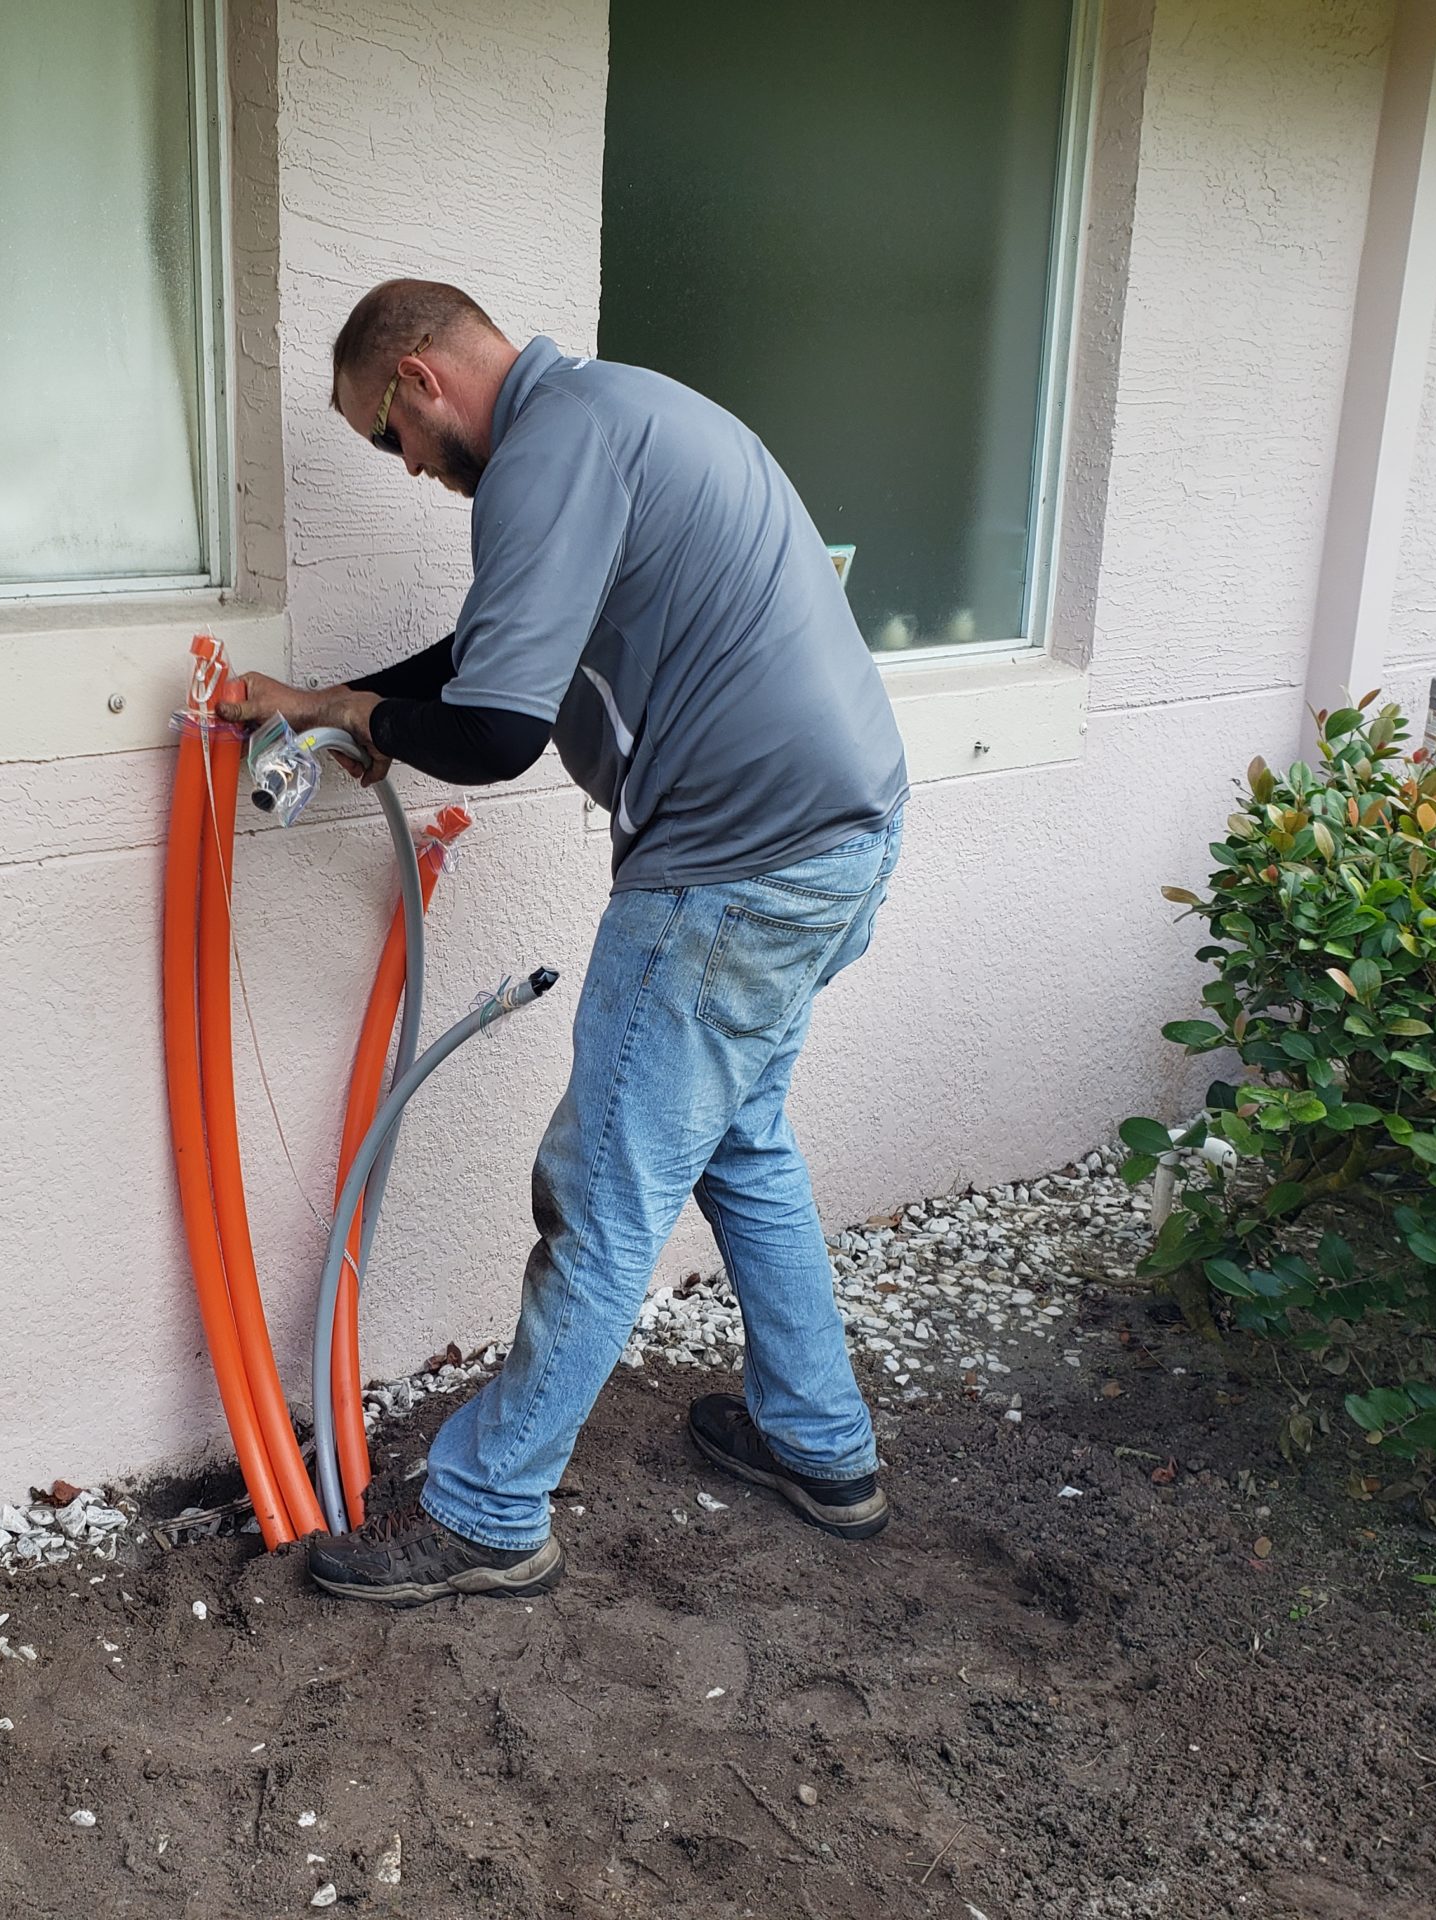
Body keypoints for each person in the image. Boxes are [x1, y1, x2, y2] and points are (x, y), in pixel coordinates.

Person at [221, 279, 909, 1606]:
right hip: (837, 841)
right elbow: (487, 661)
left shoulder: (546, 457)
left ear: (416, 379)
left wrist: (366, 722)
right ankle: (820, 1445)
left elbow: (493, 733)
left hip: (733, 874)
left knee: (604, 1191)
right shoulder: (614, 419)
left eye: (388, 438)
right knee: (742, 1139)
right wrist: (337, 704)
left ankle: (488, 1509)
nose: (410, 468)